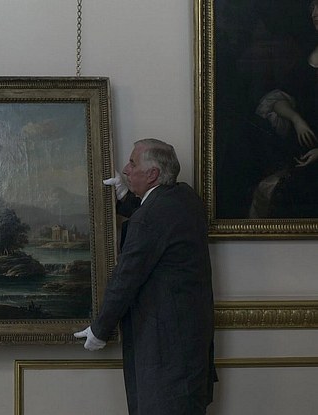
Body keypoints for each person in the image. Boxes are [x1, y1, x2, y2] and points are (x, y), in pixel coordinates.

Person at [74, 138, 216, 414]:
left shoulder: (150, 217)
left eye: (132, 163)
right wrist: (125, 198)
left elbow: (125, 279)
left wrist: (100, 330)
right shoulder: (185, 198)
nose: (126, 170)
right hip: (190, 343)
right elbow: (159, 222)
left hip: (165, 350)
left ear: (152, 174)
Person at [249, 0, 318, 218]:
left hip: (314, 159)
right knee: (264, 191)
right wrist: (296, 119)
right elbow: (278, 99)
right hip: (301, 153)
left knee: (276, 194)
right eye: (313, 8)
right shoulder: (307, 53)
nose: (315, 13)